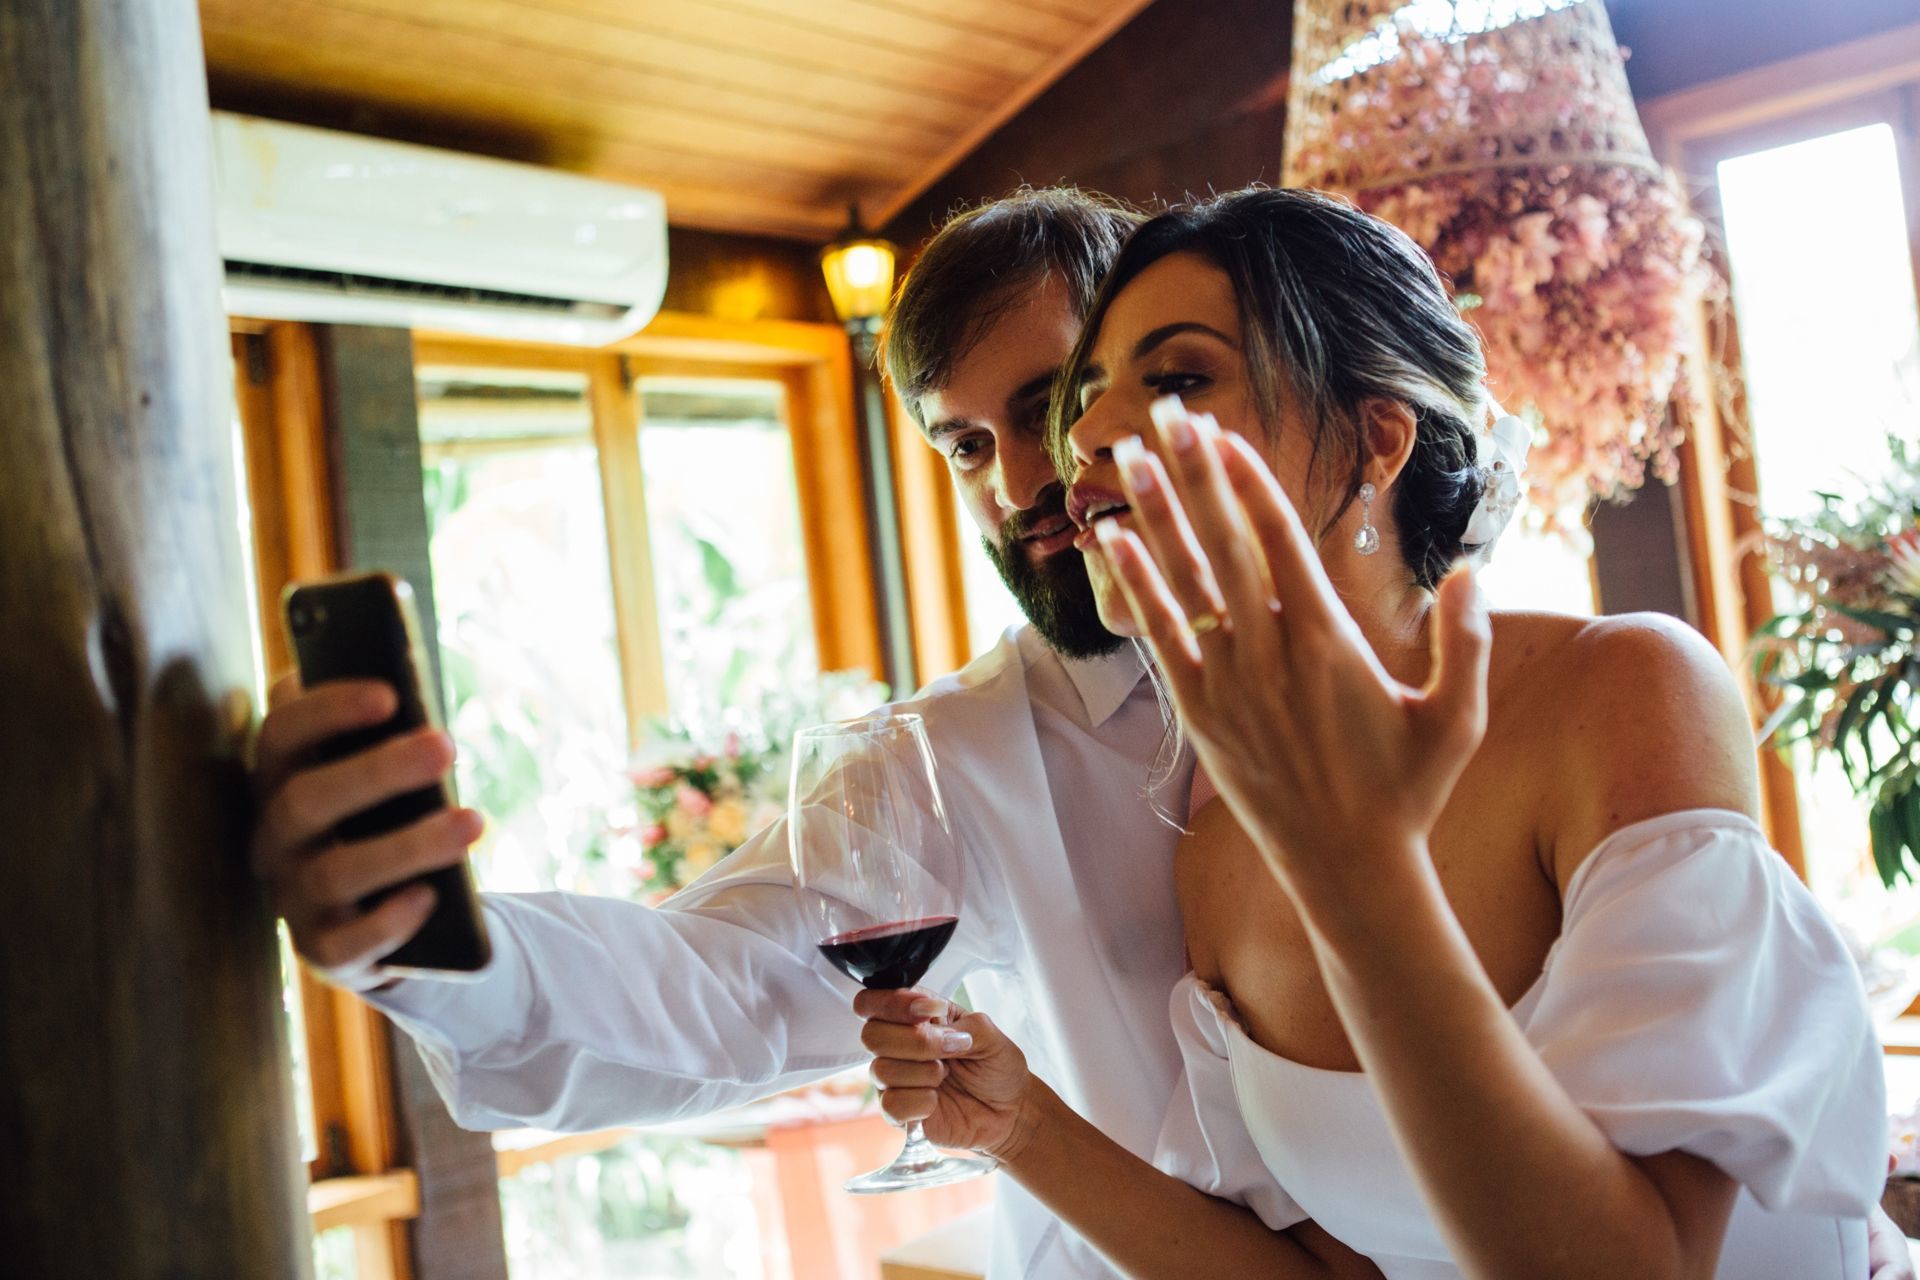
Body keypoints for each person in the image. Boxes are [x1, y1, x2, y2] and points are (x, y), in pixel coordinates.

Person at [856, 187, 1892, 1278]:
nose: (1085, 443)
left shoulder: (1619, 689)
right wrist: (1023, 1126)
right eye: (1091, 397)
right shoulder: (1215, 841)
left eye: (1175, 378)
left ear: (1374, 436)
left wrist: (1356, 869)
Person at [251, 188, 1209, 1279]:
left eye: (1045, 409)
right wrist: (421, 935)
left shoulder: (1399, 665)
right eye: (965, 445)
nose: (1016, 485)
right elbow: (714, 987)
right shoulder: (952, 754)